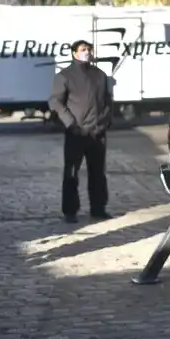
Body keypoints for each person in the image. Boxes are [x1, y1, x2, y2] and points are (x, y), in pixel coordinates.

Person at [49, 40, 113, 224]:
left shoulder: (99, 75)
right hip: (76, 132)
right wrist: (70, 124)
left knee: (98, 173)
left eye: (89, 49)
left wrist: (106, 121)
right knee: (71, 173)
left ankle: (99, 208)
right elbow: (55, 102)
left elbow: (108, 100)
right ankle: (70, 211)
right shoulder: (64, 76)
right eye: (83, 50)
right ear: (74, 53)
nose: (87, 52)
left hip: (97, 132)